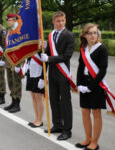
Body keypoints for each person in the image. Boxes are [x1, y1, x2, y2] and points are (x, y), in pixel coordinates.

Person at [41, 11, 76, 140]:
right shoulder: (51, 35)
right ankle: (57, 125)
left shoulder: (69, 35)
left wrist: (49, 58)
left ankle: (67, 130)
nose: (60, 23)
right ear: (53, 22)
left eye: (62, 20)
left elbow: (67, 56)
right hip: (52, 74)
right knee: (54, 100)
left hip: (63, 73)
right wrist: (43, 51)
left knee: (65, 102)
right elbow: (47, 54)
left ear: (65, 21)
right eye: (58, 21)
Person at [75, 23, 107, 150]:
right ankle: (87, 139)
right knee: (84, 112)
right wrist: (79, 84)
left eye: (95, 32)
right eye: (90, 33)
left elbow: (103, 70)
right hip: (84, 84)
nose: (93, 35)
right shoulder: (83, 48)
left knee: (96, 112)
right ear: (84, 35)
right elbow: (80, 67)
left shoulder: (101, 49)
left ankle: (94, 142)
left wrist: (91, 87)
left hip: (96, 84)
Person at [3, 14, 23, 113]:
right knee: (11, 83)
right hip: (9, 61)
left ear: (15, 20)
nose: (8, 22)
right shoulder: (9, 31)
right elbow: (6, 47)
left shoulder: (19, 31)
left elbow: (21, 49)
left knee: (16, 83)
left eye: (9, 20)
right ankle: (13, 101)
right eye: (7, 20)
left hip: (16, 61)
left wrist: (19, 65)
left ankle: (17, 104)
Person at [24, 52, 45, 127]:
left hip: (38, 74)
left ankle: (40, 120)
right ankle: (36, 118)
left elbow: (45, 64)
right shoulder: (31, 45)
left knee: (38, 97)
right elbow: (28, 59)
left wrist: (43, 78)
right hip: (31, 72)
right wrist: (26, 74)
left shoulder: (42, 46)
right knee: (33, 97)